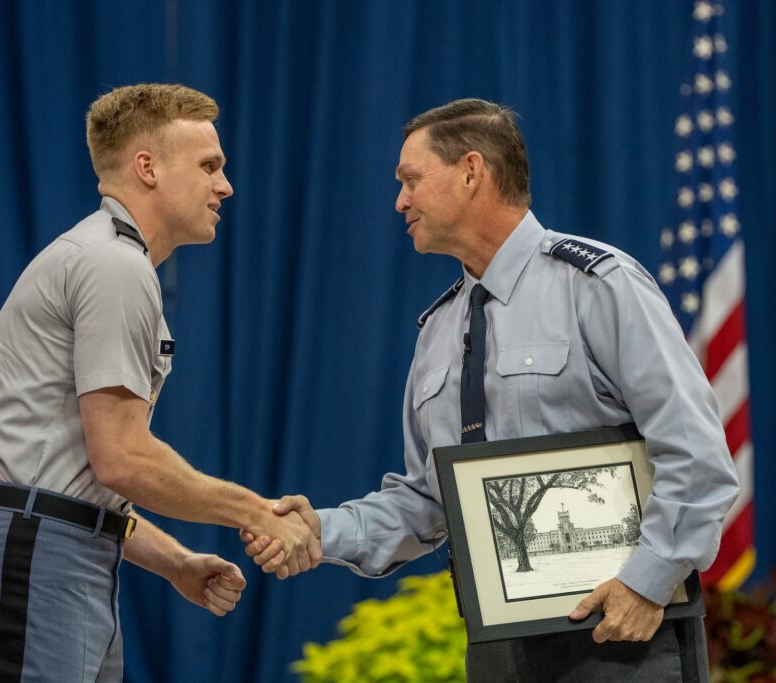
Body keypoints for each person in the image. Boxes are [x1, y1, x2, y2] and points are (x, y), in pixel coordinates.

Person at [245, 99, 739, 681]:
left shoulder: (600, 285)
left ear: (472, 171)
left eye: (410, 180)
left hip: (624, 633)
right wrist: (322, 530)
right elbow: (428, 502)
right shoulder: (438, 330)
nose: (399, 202)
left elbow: (697, 453)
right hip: (501, 648)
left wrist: (647, 581)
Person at [0, 83, 319, 682]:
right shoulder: (112, 265)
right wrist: (258, 512)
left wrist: (175, 562)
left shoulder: (112, 261)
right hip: (41, 556)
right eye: (209, 166)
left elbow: (80, 489)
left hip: (69, 553)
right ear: (146, 168)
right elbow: (121, 461)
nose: (224, 186)